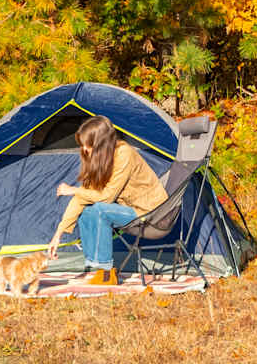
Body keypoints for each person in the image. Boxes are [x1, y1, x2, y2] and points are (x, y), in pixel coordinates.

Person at [47, 116, 168, 285]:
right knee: (87, 211)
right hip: (132, 209)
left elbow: (107, 197)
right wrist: (57, 235)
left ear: (100, 143)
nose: (84, 149)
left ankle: (105, 272)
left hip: (153, 212)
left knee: (99, 210)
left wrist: (72, 189)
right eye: (82, 144)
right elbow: (82, 197)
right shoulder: (99, 159)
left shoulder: (124, 153)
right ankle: (97, 268)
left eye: (87, 144)